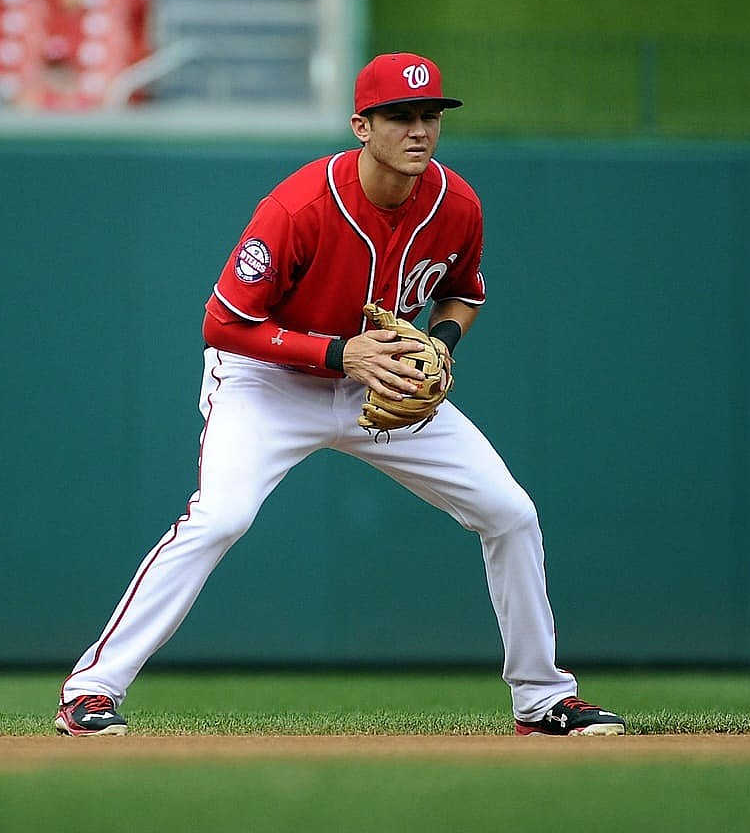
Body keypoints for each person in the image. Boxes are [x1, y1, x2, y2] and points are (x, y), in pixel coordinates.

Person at [54, 52, 626, 739]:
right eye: (400, 118)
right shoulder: (299, 206)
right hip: (267, 383)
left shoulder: (456, 204)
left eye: (430, 116)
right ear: (361, 125)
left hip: (379, 382)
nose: (419, 131)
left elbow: (463, 293)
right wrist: (336, 351)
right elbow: (223, 323)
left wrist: (440, 345)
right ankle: (90, 692)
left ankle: (541, 700)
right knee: (221, 516)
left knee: (509, 512)